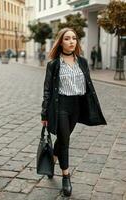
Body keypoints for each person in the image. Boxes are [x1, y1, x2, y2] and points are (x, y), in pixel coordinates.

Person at [41, 28, 107, 197]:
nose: (71, 41)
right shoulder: (54, 64)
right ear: (60, 42)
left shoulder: (83, 62)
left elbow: (88, 85)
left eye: (74, 38)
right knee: (65, 140)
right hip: (60, 105)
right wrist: (44, 114)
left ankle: (52, 160)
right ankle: (66, 176)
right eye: (67, 38)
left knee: (63, 139)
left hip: (76, 106)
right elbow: (47, 90)